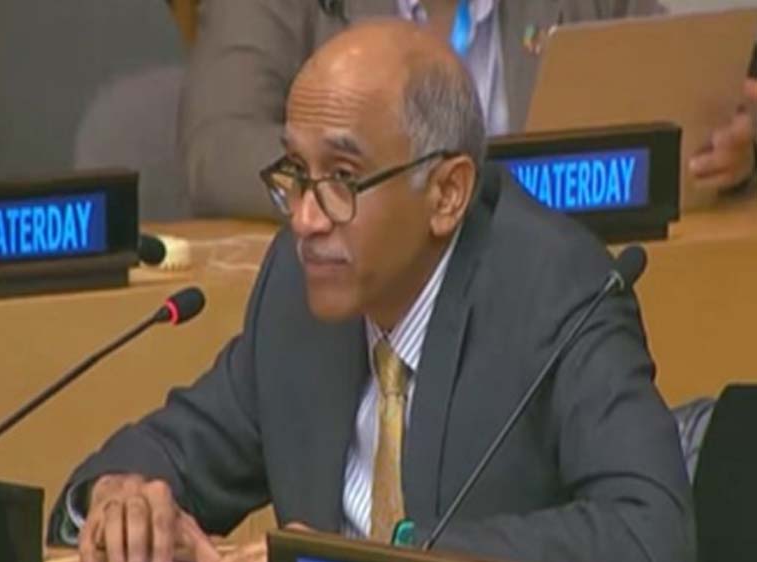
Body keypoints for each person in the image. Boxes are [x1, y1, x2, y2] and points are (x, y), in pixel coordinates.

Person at [51, 19, 693, 562]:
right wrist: (119, 497)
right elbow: (173, 449)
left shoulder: (555, 290)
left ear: (446, 194)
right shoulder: (298, 289)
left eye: (343, 178)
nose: (306, 218)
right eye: (295, 172)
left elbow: (650, 530)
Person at [179, 0, 757, 218]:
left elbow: (675, 101)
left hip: (559, 312)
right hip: (358, 321)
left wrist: (732, 147)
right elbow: (218, 149)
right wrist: (379, 187)